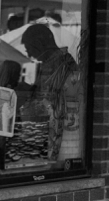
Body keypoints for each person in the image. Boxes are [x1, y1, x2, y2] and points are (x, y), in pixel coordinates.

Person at [20, 23, 80, 161]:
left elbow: (63, 97)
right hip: (46, 130)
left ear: (38, 43)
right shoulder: (49, 63)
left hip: (58, 131)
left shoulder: (63, 63)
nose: (29, 54)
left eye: (28, 48)